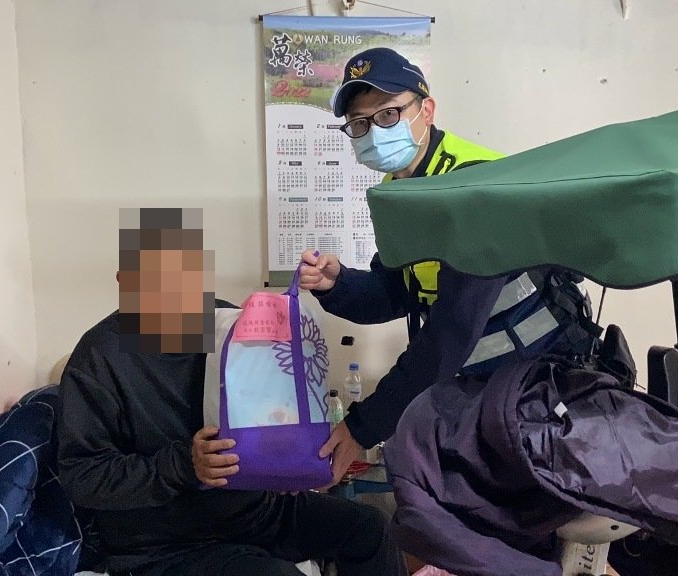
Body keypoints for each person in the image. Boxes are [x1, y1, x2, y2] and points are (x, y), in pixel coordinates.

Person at [299, 47, 598, 484]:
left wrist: (362, 426)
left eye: (388, 114)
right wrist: (337, 283)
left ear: (427, 110)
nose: (373, 132)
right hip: (485, 390)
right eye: (360, 123)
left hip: (543, 386)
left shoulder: (474, 186)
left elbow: (451, 331)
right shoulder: (398, 191)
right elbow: (398, 292)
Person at [56, 207, 407, 576]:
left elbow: (274, 406)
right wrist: (183, 466)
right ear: (126, 281)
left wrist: (288, 462)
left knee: (370, 529)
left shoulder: (229, 325)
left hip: (256, 512)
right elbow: (82, 476)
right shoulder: (99, 357)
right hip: (166, 544)